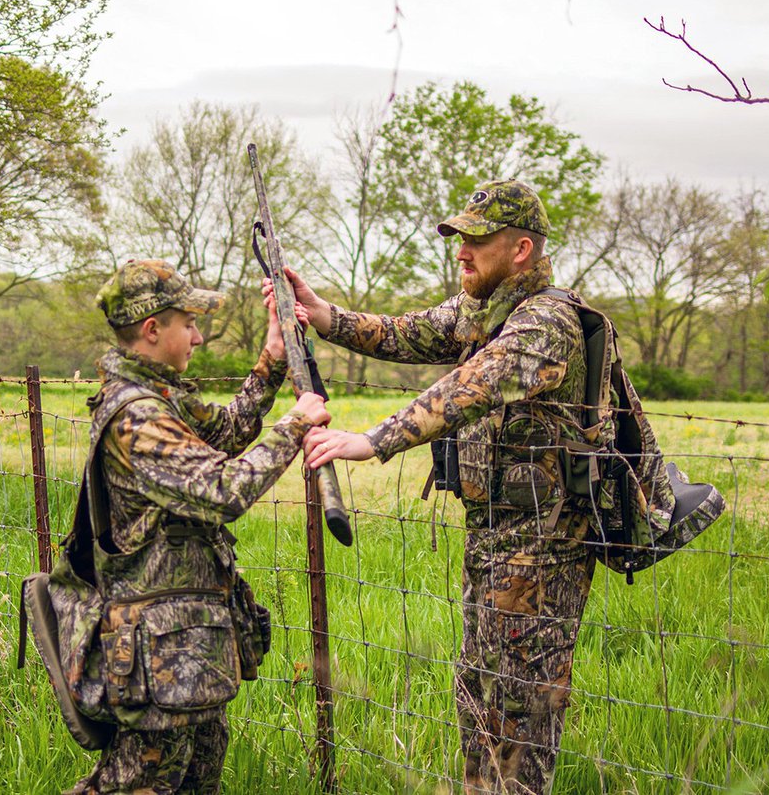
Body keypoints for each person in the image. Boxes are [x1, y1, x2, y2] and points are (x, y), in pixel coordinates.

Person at [283, 181, 594, 795]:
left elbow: (469, 388)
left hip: (545, 546)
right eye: (460, 239)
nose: (462, 252)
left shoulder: (546, 324)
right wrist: (324, 317)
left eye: (477, 240)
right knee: (476, 692)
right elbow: (406, 332)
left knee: (520, 707)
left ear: (522, 249)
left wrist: (373, 440)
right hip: (493, 538)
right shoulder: (481, 310)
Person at [71, 258, 329, 795]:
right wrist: (296, 426)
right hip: (155, 661)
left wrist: (273, 358)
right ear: (151, 330)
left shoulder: (164, 398)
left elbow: (228, 432)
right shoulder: (137, 416)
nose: (199, 334)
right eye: (188, 323)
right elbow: (224, 490)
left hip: (187, 655)